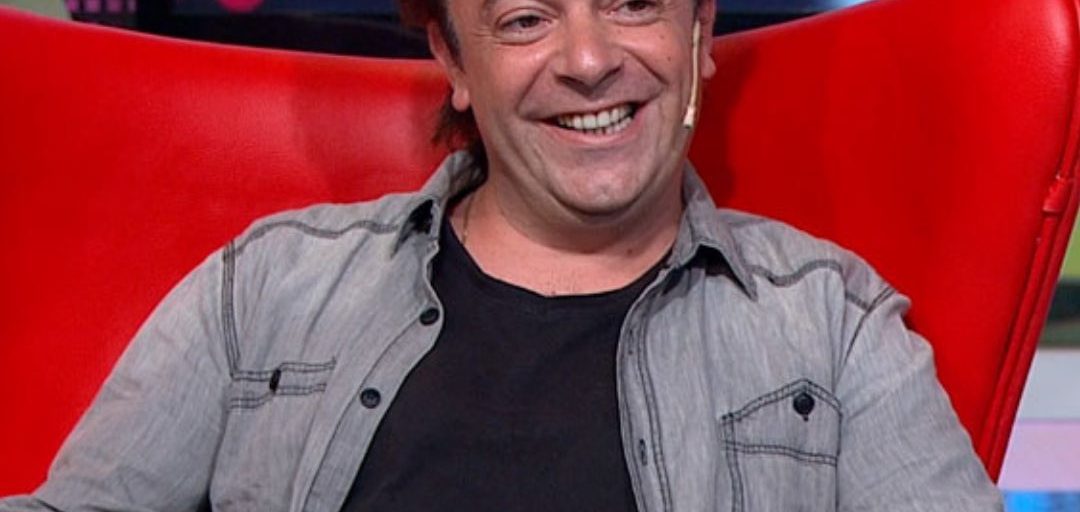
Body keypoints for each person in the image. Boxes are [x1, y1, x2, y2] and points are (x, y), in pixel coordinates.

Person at [0, 0, 1004, 510]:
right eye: (525, 17)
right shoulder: (263, 289)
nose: (588, 58)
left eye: (633, 2)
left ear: (700, 31)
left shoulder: (833, 326)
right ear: (453, 58)